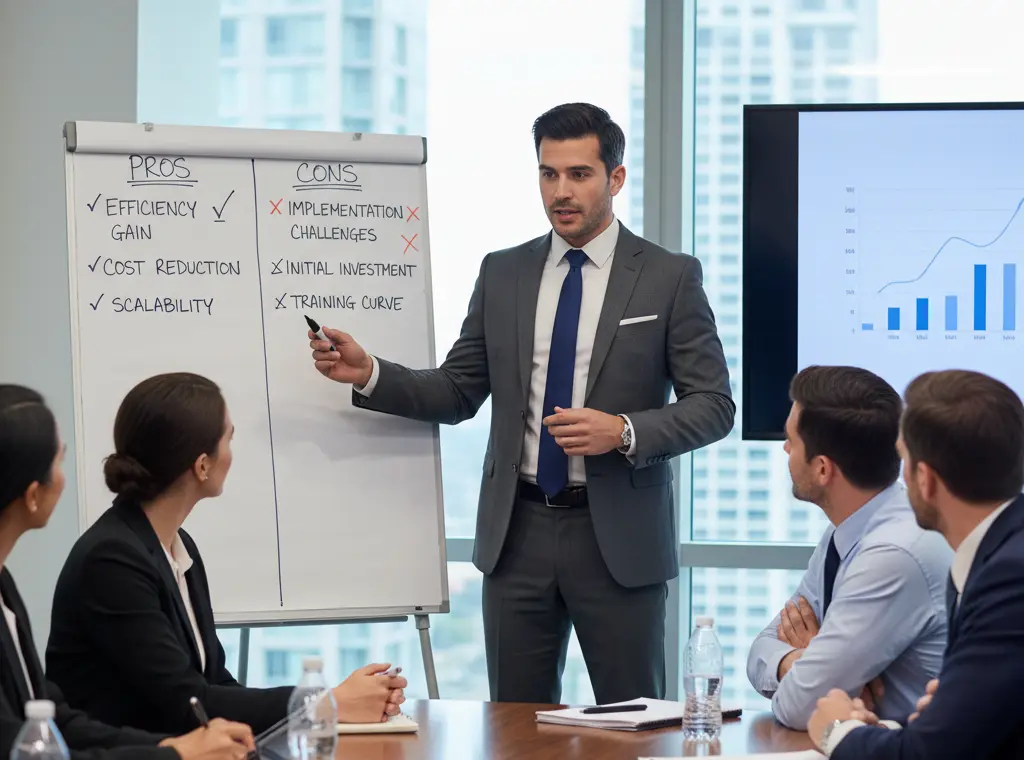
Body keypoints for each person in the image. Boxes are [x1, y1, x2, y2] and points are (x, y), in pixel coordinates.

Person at [308, 102, 734, 704]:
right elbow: (457, 392)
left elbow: (714, 404)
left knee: (637, 724)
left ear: (615, 178)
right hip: (517, 534)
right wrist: (370, 372)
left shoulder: (669, 276)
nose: (561, 191)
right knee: (513, 727)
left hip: (618, 536)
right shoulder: (503, 272)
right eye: (548, 174)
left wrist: (624, 430)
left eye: (579, 174)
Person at [45, 373, 407, 737]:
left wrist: (333, 703)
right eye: (229, 439)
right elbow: (189, 703)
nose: (232, 454)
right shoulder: (112, 560)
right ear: (202, 465)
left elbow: (215, 682)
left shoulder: (177, 546)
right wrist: (327, 702)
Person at [0, 384, 255, 760]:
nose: (63, 479)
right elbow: (182, 698)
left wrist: (171, 749)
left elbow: (52, 717)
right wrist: (175, 754)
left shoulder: (4, 582)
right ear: (33, 493)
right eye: (59, 462)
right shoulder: (111, 557)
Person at [809, 369, 1024, 759]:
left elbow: (931, 755)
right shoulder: (997, 553)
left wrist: (837, 730)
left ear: (924, 479)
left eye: (904, 460)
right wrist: (930, 720)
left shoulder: (1009, 578)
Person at [746, 366, 951, 730]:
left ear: (823, 469)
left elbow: (799, 706)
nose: (785, 448)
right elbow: (761, 647)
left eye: (792, 440)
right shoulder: (844, 534)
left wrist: (815, 678)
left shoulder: (895, 553)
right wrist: (802, 662)